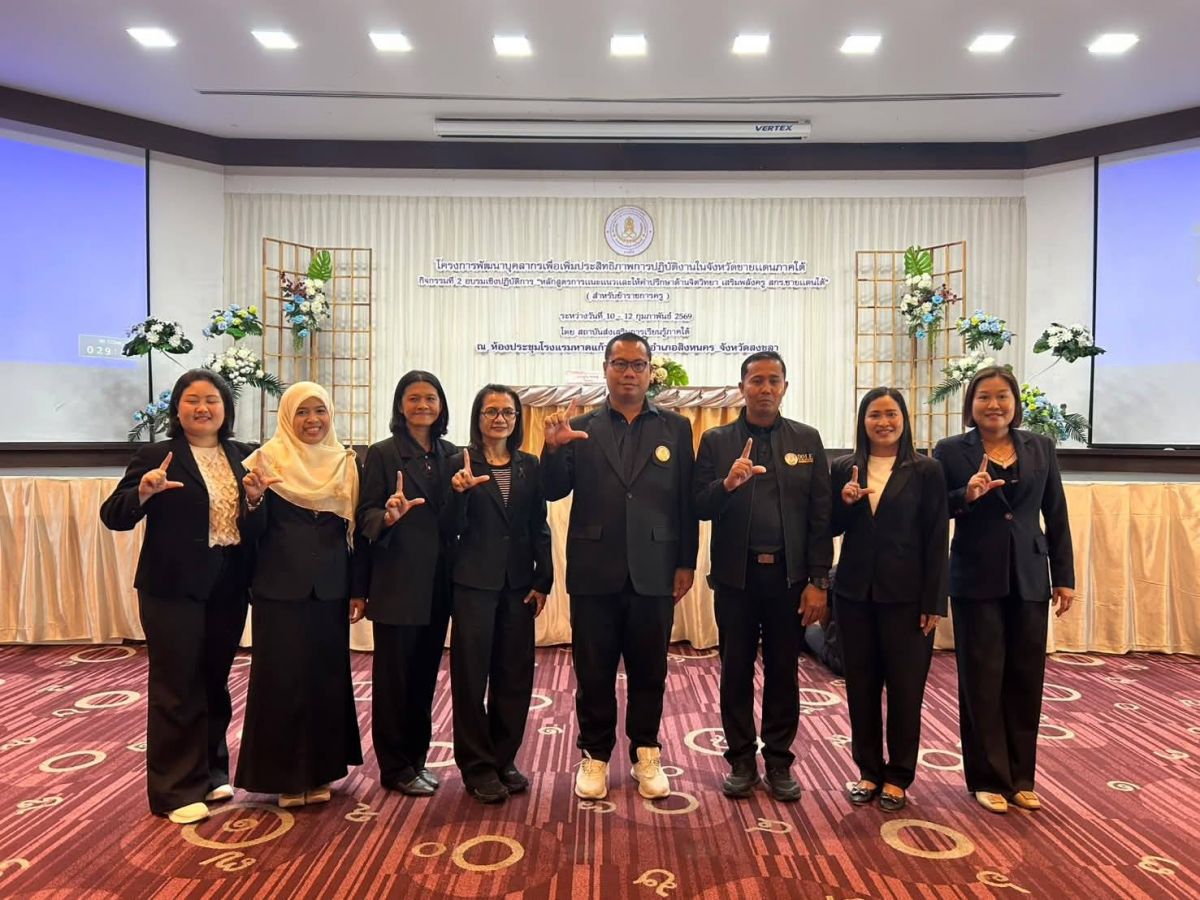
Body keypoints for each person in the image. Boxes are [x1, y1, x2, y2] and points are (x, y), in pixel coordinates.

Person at [541, 332, 698, 801]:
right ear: (605, 369)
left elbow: (685, 501)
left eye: (638, 365)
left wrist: (686, 561)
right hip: (595, 569)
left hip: (655, 568)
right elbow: (552, 490)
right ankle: (594, 754)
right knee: (594, 671)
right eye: (620, 364)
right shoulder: (581, 426)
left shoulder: (676, 427)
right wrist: (553, 450)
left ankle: (646, 751)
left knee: (650, 669)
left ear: (650, 372)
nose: (629, 373)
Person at [100, 370, 254, 825]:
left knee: (214, 680)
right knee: (176, 685)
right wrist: (142, 493)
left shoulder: (243, 455)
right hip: (171, 587)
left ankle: (211, 771)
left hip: (228, 584)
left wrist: (256, 502)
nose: (202, 408)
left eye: (212, 400)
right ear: (178, 408)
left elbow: (254, 523)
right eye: (192, 400)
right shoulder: (157, 455)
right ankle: (174, 789)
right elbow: (114, 515)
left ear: (226, 408)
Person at [933, 366, 1075, 815]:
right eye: (984, 397)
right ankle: (986, 777)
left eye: (1002, 396)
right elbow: (934, 511)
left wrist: (1064, 576)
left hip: (1029, 575)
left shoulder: (1040, 447)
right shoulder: (951, 450)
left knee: (1025, 677)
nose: (993, 405)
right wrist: (966, 496)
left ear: (1015, 402)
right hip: (976, 577)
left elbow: (1056, 513)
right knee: (982, 678)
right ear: (970, 404)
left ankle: (1020, 777)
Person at [694, 351, 832, 802]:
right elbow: (698, 506)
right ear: (742, 388)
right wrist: (727, 485)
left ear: (785, 388)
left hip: (790, 581)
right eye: (757, 380)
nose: (765, 388)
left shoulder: (807, 439)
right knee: (734, 669)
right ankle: (740, 759)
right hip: (736, 579)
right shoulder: (716, 441)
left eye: (774, 380)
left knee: (783, 671)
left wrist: (818, 580)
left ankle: (778, 760)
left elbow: (820, 516)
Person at [234, 382, 366, 808]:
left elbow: (353, 536)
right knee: (282, 681)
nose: (312, 420)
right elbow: (248, 535)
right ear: (288, 417)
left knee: (326, 679)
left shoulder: (345, 462)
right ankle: (287, 778)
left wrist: (357, 589)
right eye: (303, 412)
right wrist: (254, 501)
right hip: (280, 589)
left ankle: (322, 770)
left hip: (329, 589)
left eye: (320, 411)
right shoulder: (264, 461)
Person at [830, 387, 948, 812]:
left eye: (891, 414)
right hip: (854, 595)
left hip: (908, 598)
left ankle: (898, 776)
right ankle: (867, 770)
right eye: (875, 415)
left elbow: (937, 536)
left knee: (905, 690)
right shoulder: (844, 467)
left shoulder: (927, 470)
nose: (883, 422)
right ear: (862, 421)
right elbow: (828, 526)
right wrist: (844, 504)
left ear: (903, 419)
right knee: (860, 687)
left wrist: (934, 600)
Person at [448, 384, 553, 804]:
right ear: (477, 417)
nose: (499, 419)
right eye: (491, 411)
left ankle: (503, 758)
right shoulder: (460, 462)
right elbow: (449, 525)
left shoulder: (529, 465)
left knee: (514, 675)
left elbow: (538, 524)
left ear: (517, 419)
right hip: (473, 584)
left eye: (507, 412)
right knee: (471, 677)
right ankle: (477, 766)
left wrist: (543, 579)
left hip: (518, 585)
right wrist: (458, 495)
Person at [357, 371, 456, 797]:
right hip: (397, 580)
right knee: (394, 680)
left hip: (438, 583)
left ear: (441, 405)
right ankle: (394, 767)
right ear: (400, 405)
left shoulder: (453, 454)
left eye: (430, 398)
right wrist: (387, 516)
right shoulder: (382, 454)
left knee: (424, 676)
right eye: (413, 398)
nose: (422, 406)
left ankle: (416, 758)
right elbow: (363, 516)